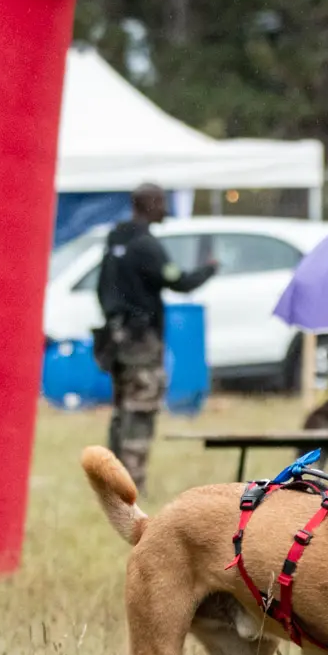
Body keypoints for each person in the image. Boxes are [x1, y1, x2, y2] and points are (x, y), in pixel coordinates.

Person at [95, 183, 216, 495]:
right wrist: (208, 270)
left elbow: (102, 288)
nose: (166, 209)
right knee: (141, 408)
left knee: (122, 408)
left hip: (116, 338)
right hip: (140, 341)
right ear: (148, 205)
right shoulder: (146, 245)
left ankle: (112, 478)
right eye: (162, 202)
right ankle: (131, 483)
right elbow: (178, 280)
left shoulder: (115, 239)